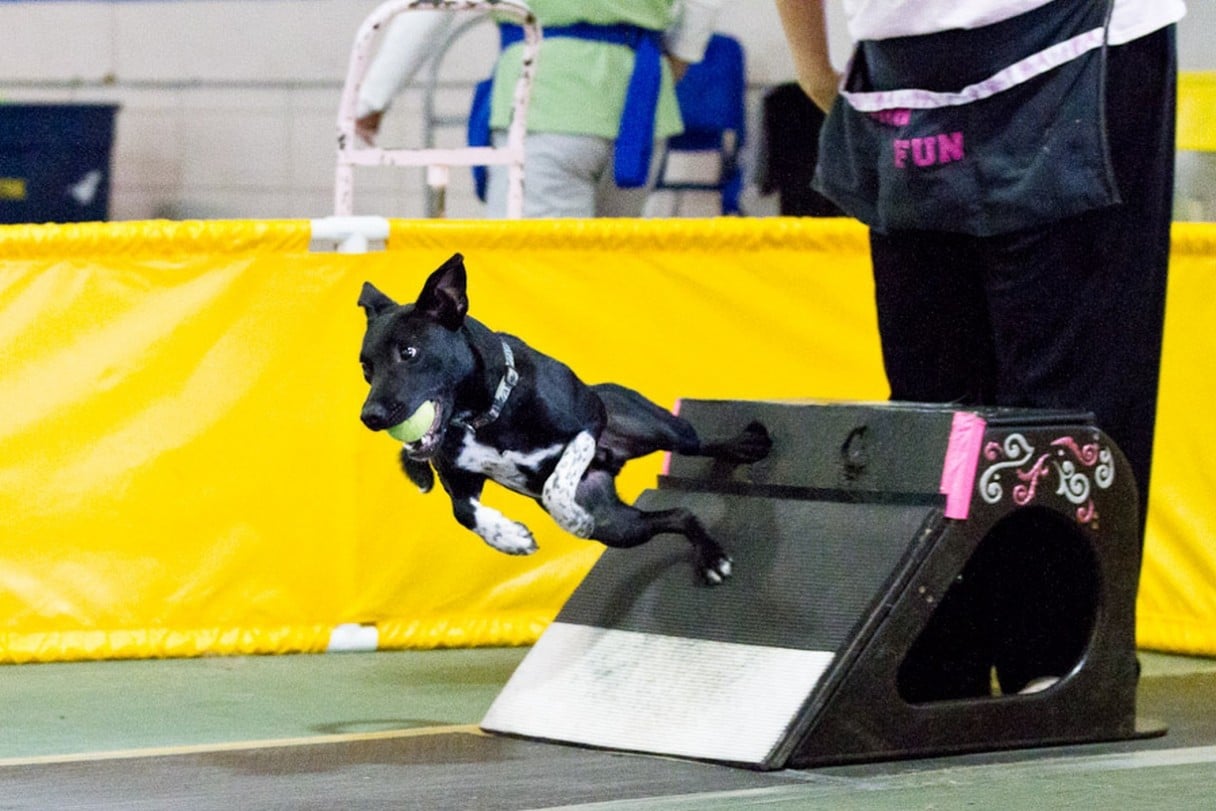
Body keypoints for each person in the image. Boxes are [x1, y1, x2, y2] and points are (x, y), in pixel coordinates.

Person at [775, 0, 1184, 540]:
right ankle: (961, 623)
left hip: (1075, 41)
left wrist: (811, 61)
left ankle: (1060, 621)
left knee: (1067, 433)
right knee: (934, 427)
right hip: (900, 67)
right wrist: (809, 59)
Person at [356, 0, 725, 218]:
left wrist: (372, 98)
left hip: (545, 103)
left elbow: (430, 9)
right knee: (607, 273)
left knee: (535, 279)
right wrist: (678, 58)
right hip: (642, 107)